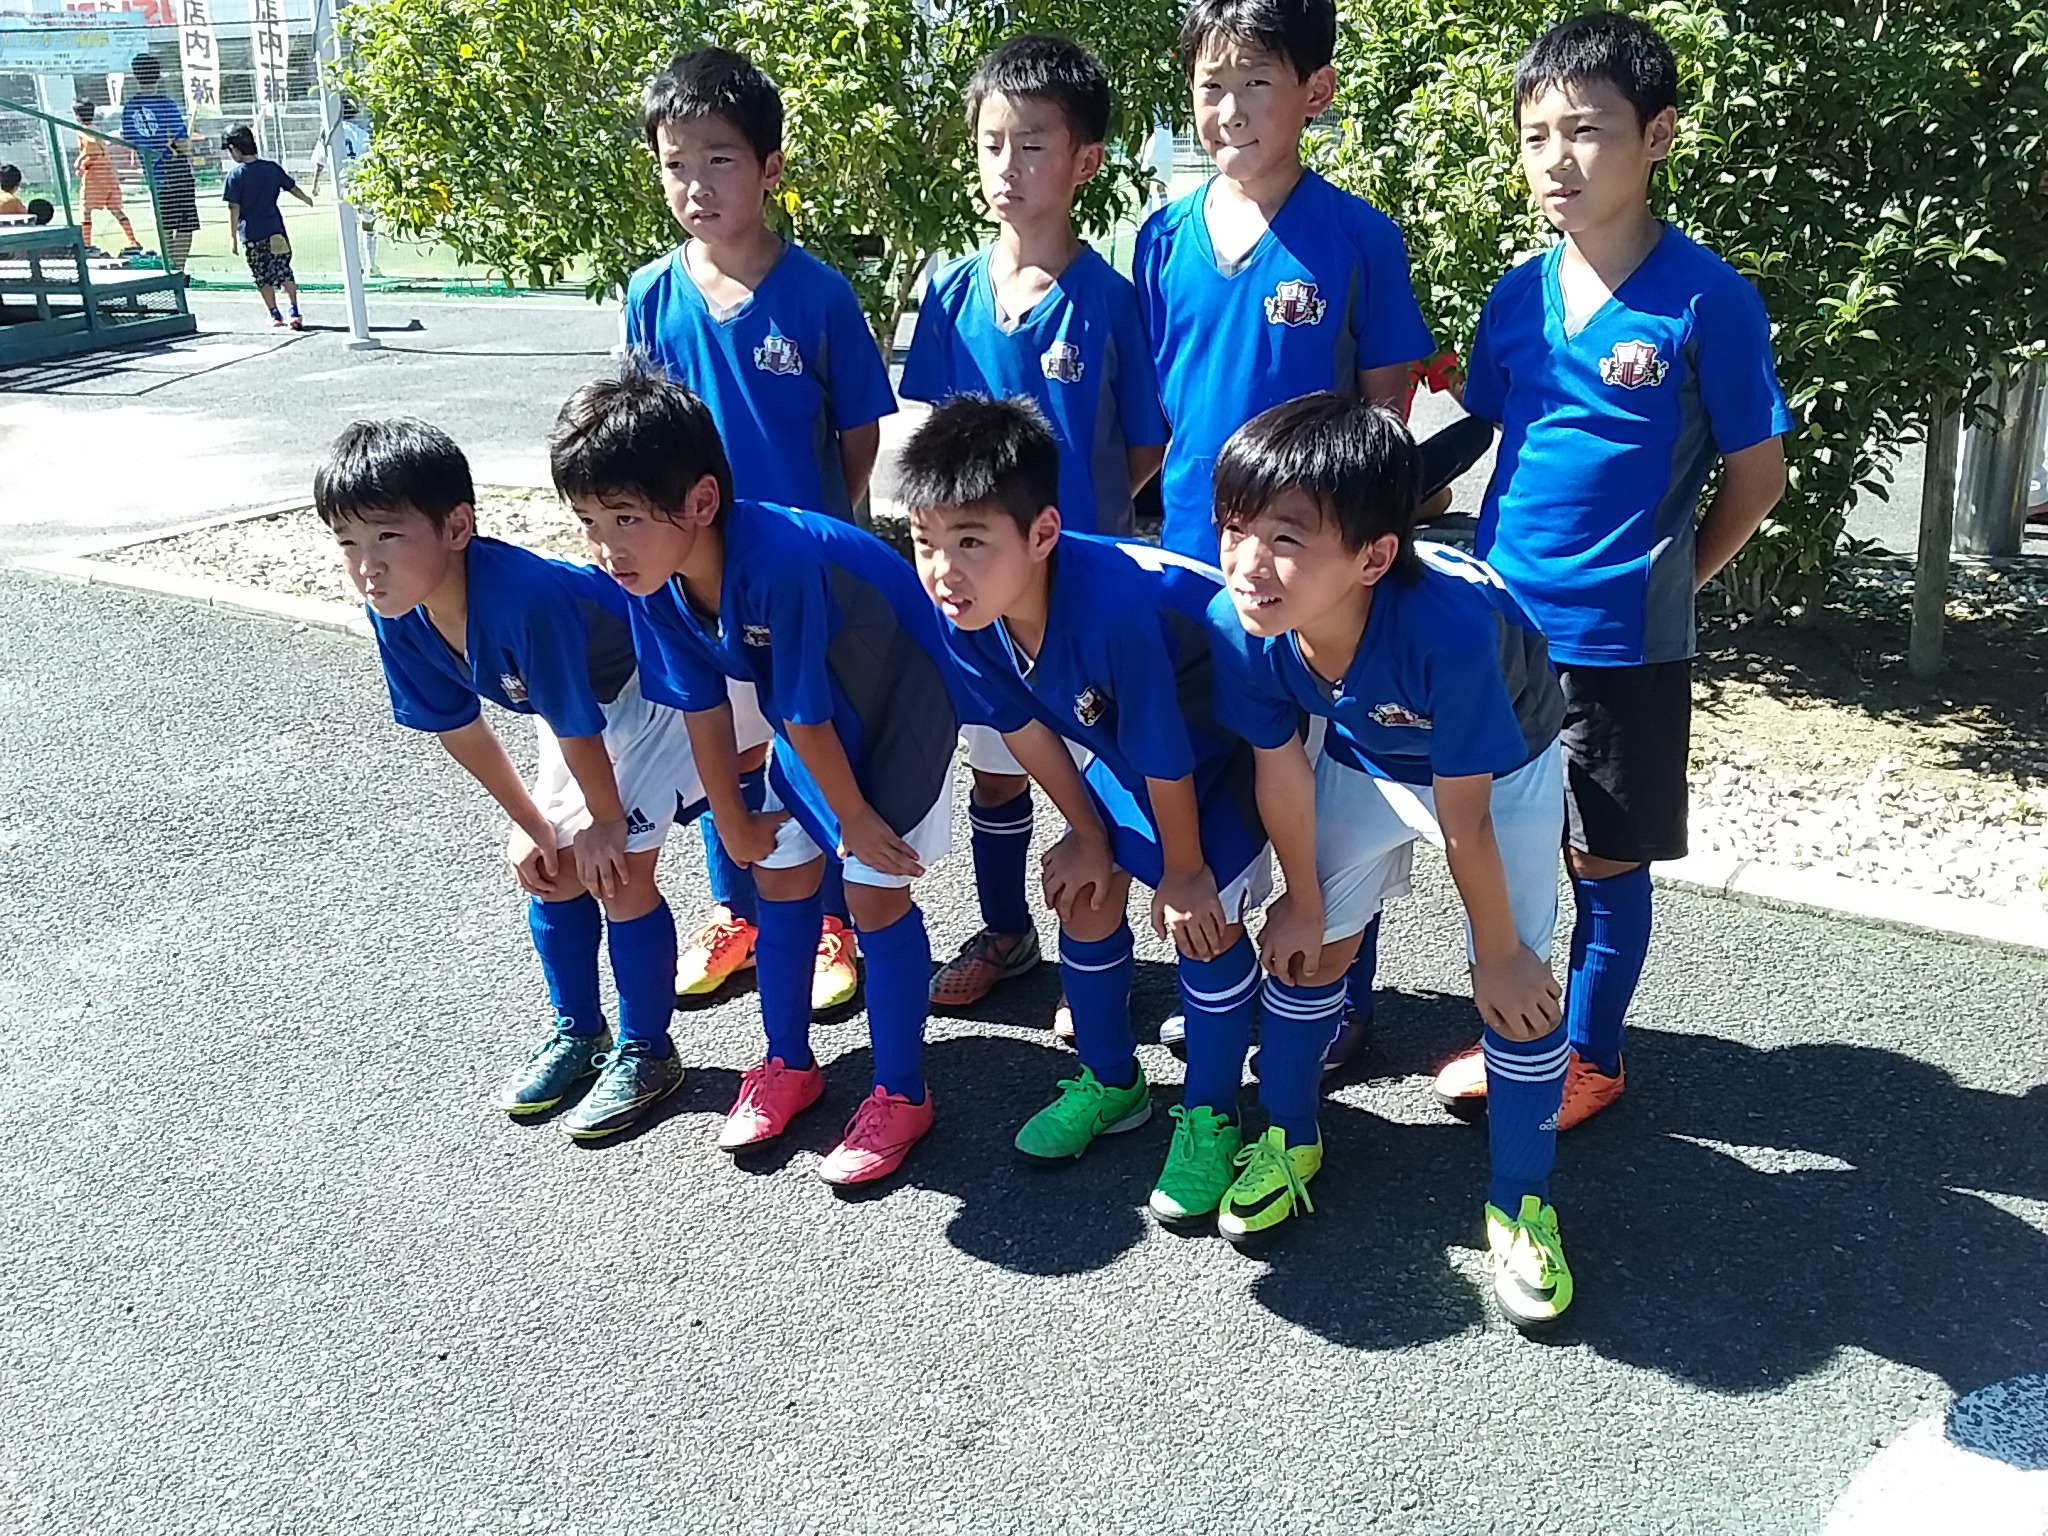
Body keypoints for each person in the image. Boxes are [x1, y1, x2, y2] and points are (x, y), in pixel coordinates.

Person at [1426, 13, 1791, 1129]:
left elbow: (1759, 476)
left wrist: (1676, 574)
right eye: (1536, 136)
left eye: (1585, 130)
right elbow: (1487, 430)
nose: (1557, 160)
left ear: (1656, 136)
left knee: (1607, 858)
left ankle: (1590, 1055)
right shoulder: (1513, 295)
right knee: (1507, 843)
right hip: (1500, 625)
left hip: (1623, 642)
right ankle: (1524, 1027)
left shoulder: (1707, 299)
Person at [905, 395, 1353, 1247]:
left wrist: (1183, 872)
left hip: (1241, 745)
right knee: (1082, 888)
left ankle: (1212, 1116)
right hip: (1142, 747)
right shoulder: (963, 610)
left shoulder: (1116, 610)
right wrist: (1086, 833)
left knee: (1203, 923)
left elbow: (1168, 756)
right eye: (926, 542)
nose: (943, 570)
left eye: (971, 542)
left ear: (1042, 533)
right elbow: (1025, 727)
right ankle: (1113, 1083)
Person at [1205, 392, 1575, 1326]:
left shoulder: (1449, 629)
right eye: (1235, 529)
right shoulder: (1240, 621)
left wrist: (1497, 952)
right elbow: (1281, 769)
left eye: (1285, 540)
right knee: (1306, 948)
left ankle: (1522, 1201)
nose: (1248, 564)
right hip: (1366, 749)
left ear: (1373, 557)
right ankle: (1290, 1138)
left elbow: (1467, 821)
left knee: (1521, 991)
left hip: (1503, 768)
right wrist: (1299, 897)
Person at [550, 367, 962, 1188]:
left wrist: (854, 818)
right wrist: (733, 821)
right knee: (777, 873)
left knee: (874, 895)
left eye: (625, 518)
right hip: (816, 719)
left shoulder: (776, 560)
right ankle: (787, 1063)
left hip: (902, 706)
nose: (605, 546)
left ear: (701, 501)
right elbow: (702, 703)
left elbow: (804, 713)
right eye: (589, 522)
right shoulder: (652, 578)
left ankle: (901, 1092)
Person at [314, 418, 767, 1140]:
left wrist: (607, 822)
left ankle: (649, 1051)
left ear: (456, 526)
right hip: (579, 714)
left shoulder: (523, 598)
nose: (367, 565)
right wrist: (531, 824)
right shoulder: (397, 612)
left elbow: (576, 724)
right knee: (551, 867)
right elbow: (460, 728)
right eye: (346, 542)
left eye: (387, 537)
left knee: (618, 870)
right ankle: (579, 1032)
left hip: (656, 685)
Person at [1135, 0, 1437, 1066]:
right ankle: (1222, 986)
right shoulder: (1160, 237)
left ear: (1315, 92)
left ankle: (1337, 988)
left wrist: (1354, 553)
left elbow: (1386, 406)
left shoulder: (1355, 236)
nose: (1229, 107)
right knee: (1218, 769)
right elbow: (1152, 412)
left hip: (1314, 577)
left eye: (1255, 82)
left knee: (1325, 779)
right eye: (1210, 85)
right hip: (1192, 561)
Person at [622, 47, 900, 1012]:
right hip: (695, 583)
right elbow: (637, 438)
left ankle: (826, 921)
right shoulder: (650, 296)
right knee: (723, 748)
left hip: (794, 581)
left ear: (770, 167)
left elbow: (859, 435)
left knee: (804, 737)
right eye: (676, 164)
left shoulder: (819, 295)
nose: (696, 185)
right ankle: (735, 910)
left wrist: (816, 530)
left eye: (720, 160)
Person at [899, 34, 1169, 1016]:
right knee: (999, 768)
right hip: (985, 597)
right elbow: (934, 439)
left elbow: (1143, 444)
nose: (1005, 168)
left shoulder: (1110, 301)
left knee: (1101, 780)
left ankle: (1097, 961)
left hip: (1080, 597)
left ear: (1084, 161)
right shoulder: (952, 294)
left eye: (1031, 146)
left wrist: (1072, 526)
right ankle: (1005, 931)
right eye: (989, 146)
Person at [221, 126, 314, 329]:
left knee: (262, 275)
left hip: (251, 234)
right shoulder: (271, 168)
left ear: (234, 148)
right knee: (283, 270)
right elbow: (291, 187)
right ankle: (294, 311)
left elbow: (234, 208)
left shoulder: (235, 176)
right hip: (275, 229)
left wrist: (233, 237)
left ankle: (274, 314)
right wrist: (306, 198)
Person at [121, 54, 202, 272]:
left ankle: (170, 269)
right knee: (185, 225)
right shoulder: (166, 104)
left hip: (153, 173)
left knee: (164, 224)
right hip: (175, 170)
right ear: (158, 76)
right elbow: (180, 139)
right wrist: (191, 156)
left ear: (136, 76)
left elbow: (130, 140)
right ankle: (178, 269)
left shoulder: (130, 107)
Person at [72, 102, 143, 258]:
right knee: (115, 209)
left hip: (95, 174)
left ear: (78, 116)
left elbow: (92, 147)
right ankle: (133, 241)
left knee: (85, 210)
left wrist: (79, 162)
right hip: (107, 173)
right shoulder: (96, 129)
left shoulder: (84, 130)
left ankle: (86, 244)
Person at [339, 100, 381, 276]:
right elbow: (371, 159)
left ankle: (354, 266)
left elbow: (320, 160)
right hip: (361, 182)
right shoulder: (360, 133)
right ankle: (371, 265)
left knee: (348, 225)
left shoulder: (330, 133)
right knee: (368, 223)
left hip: (341, 183)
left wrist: (315, 183)